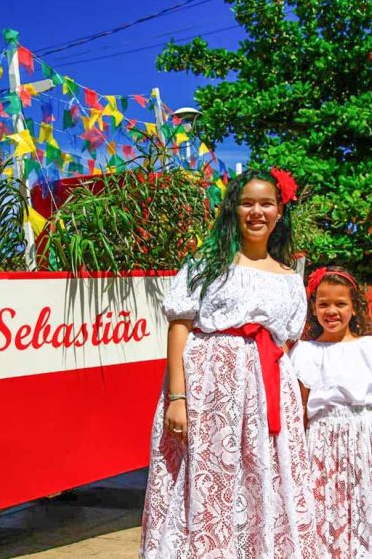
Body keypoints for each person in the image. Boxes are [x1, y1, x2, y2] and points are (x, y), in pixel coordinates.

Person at [140, 168, 319, 558]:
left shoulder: (290, 277)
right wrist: (177, 397)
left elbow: (285, 345)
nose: (257, 212)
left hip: (267, 391)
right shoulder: (207, 264)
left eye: (266, 204)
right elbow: (179, 326)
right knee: (209, 476)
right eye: (247, 203)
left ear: (279, 212)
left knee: (261, 478)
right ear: (233, 210)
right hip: (210, 390)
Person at [291, 266, 372, 559]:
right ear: (313, 308)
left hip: (369, 439)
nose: (332, 311)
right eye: (323, 303)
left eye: (340, 303)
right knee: (330, 508)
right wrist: (297, 451)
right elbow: (301, 406)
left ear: (354, 308)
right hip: (323, 443)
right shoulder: (305, 352)